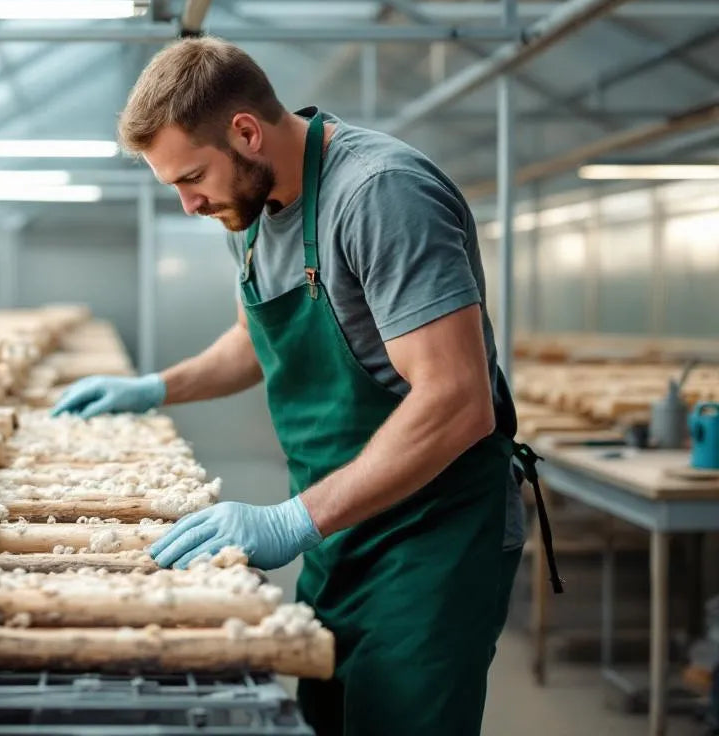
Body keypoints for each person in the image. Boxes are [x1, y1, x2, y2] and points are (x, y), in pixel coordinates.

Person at [51, 37, 559, 736]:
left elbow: (456, 402)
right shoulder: (252, 213)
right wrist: (152, 388)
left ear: (247, 133)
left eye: (192, 176)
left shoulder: (380, 194)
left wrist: (292, 519)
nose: (188, 204)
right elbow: (252, 342)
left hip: (429, 538)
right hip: (341, 529)